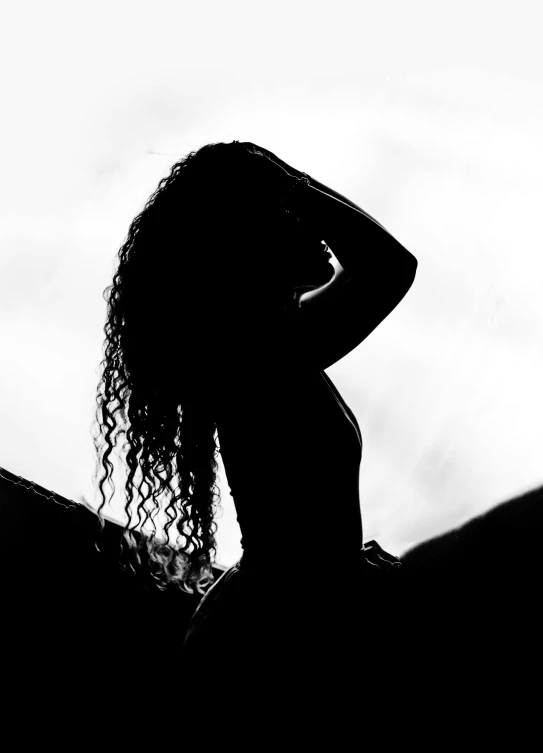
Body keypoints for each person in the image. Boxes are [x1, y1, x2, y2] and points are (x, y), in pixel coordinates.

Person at [90, 139, 417, 721]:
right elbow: (389, 267)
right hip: (279, 638)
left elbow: (387, 268)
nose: (315, 225)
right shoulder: (258, 360)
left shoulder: (270, 349)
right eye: (287, 212)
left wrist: (281, 184)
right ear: (245, 244)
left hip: (282, 620)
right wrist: (281, 179)